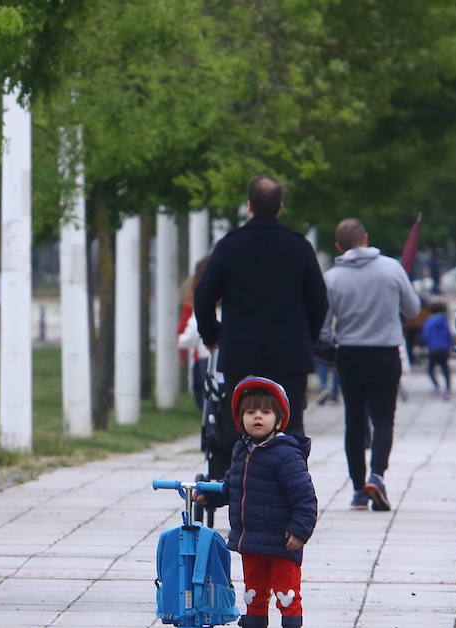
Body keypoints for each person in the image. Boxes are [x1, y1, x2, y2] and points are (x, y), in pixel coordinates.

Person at [193, 175, 328, 477]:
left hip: (241, 353)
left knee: (238, 422)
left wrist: (213, 335)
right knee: (289, 424)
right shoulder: (299, 247)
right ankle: (290, 485)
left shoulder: (229, 246)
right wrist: (307, 337)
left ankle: (234, 485)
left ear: (249, 206)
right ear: (280, 206)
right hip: (289, 354)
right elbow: (319, 301)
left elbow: (203, 296)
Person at [197, 377, 318, 628]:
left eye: (265, 412)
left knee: (287, 594)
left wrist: (300, 531)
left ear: (279, 418)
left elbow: (305, 497)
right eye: (250, 413)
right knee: (253, 593)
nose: (258, 417)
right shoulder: (242, 450)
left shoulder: (286, 454)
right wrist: (211, 496)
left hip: (281, 540)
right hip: (251, 540)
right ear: (241, 420)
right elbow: (233, 485)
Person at [319, 218, 421, 511]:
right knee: (384, 419)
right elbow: (412, 308)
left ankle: (357, 490)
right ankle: (377, 474)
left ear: (339, 246)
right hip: (386, 353)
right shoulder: (392, 268)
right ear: (366, 238)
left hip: (350, 355)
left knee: (354, 420)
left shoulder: (333, 278)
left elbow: (323, 328)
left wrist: (331, 349)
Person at [176, 256, 209, 410]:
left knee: (203, 394)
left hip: (202, 356)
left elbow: (185, 327)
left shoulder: (194, 298)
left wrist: (182, 347)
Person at [422, 301, 454, 399]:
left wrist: (424, 343)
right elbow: (449, 335)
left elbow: (425, 335)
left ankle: (437, 386)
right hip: (444, 348)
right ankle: (448, 390)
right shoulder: (445, 320)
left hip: (433, 348)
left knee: (430, 368)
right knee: (445, 368)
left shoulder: (429, 320)